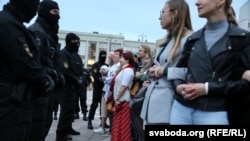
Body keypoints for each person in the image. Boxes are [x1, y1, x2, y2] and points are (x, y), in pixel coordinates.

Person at [167, 0, 250, 125]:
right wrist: (178, 87)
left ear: (220, 2)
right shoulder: (193, 39)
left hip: (215, 112)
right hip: (180, 109)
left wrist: (207, 89)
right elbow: (178, 71)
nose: (196, 2)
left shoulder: (242, 38)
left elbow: (245, 85)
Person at [0, 0, 54, 140]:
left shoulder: (13, 24)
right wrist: (44, 79)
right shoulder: (8, 25)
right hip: (10, 103)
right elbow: (25, 63)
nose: (35, 12)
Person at [140, 0, 193, 127]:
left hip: (169, 107)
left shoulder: (190, 39)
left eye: (163, 12)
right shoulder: (169, 40)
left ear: (174, 13)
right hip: (154, 105)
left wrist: (163, 71)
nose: (159, 17)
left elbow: (193, 73)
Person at [28, 1, 63, 140]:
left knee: (43, 127)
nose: (58, 17)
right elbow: (32, 63)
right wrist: (51, 73)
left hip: (48, 91)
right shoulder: (37, 32)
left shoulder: (48, 34)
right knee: (36, 130)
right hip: (38, 92)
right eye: (54, 12)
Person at [56, 33, 83, 141]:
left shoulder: (75, 54)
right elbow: (66, 71)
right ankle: (60, 135)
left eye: (78, 41)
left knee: (72, 110)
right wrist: (76, 79)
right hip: (66, 87)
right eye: (74, 41)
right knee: (65, 111)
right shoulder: (64, 53)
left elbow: (80, 68)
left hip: (74, 88)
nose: (77, 43)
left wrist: (80, 78)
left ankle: (68, 128)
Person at [94, 49, 122, 136]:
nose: (114, 56)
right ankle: (107, 130)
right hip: (106, 89)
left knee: (111, 112)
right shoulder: (113, 65)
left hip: (112, 91)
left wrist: (105, 79)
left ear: (121, 57)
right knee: (105, 110)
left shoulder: (119, 66)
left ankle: (111, 132)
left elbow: (113, 78)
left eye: (116, 54)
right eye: (114, 54)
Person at [110, 50, 135, 141]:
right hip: (120, 99)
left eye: (121, 58)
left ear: (127, 60)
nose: (120, 59)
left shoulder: (128, 70)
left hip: (123, 100)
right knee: (118, 123)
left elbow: (123, 86)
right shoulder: (125, 69)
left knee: (122, 124)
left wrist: (117, 98)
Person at [87, 50, 108, 129]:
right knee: (94, 104)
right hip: (97, 88)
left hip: (104, 88)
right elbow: (95, 75)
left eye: (105, 55)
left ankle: (103, 122)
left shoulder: (107, 65)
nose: (104, 56)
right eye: (102, 54)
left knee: (103, 106)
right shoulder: (95, 65)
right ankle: (90, 120)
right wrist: (102, 79)